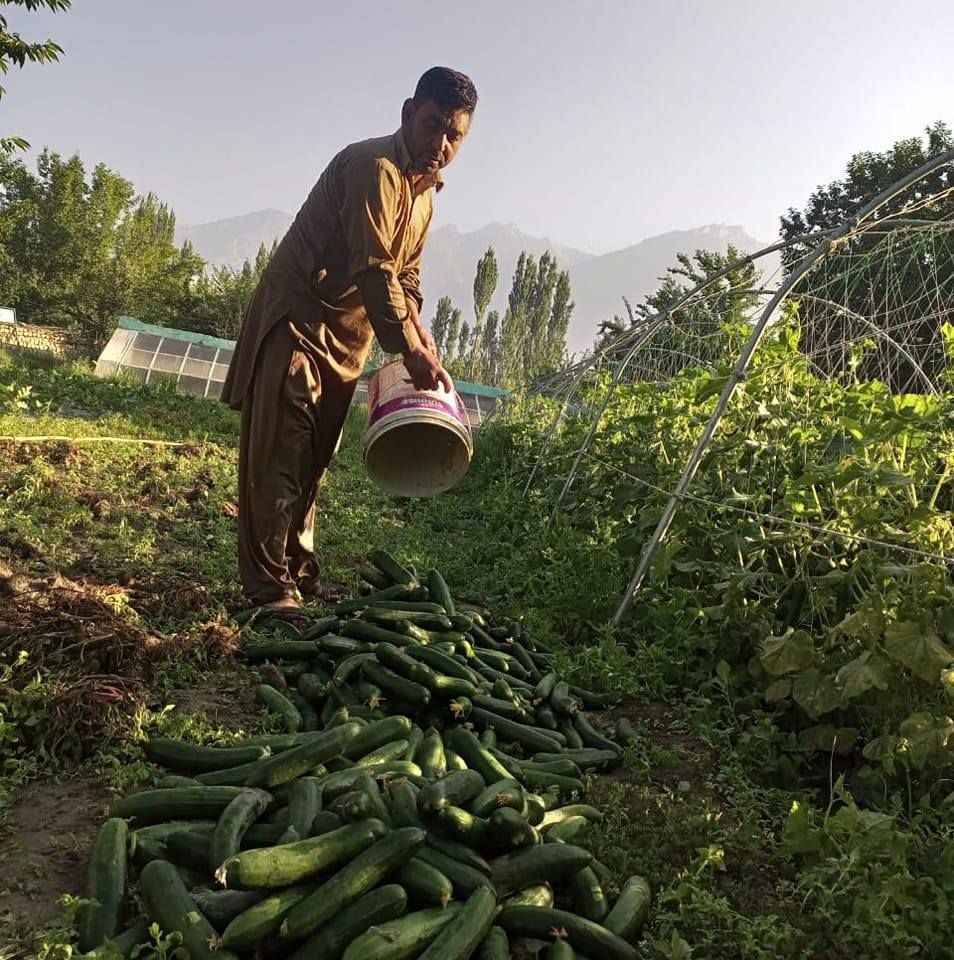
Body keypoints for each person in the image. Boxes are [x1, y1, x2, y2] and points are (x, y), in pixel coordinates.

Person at [221, 66, 477, 616]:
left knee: (316, 456)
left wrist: (422, 338)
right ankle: (267, 592)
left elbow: (406, 278)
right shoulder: (373, 167)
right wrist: (408, 348)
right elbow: (377, 269)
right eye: (432, 125)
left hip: (346, 337)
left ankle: (298, 571)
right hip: (298, 320)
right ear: (409, 113)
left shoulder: (425, 197)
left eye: (454, 135)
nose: (440, 144)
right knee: (281, 452)